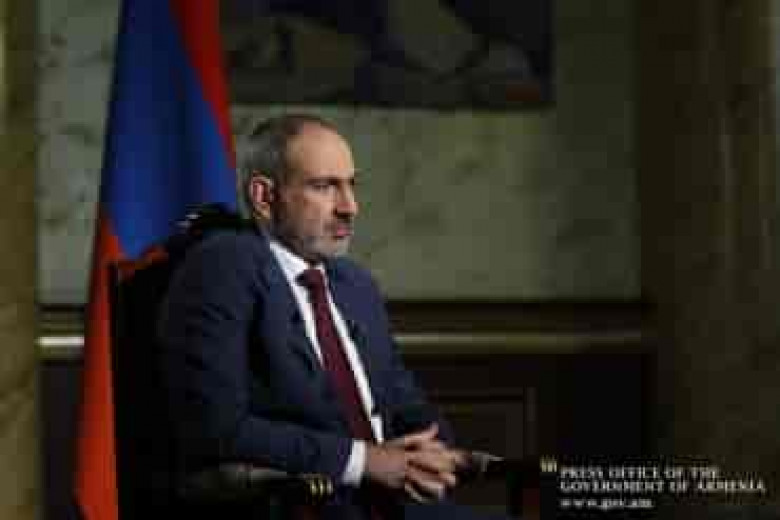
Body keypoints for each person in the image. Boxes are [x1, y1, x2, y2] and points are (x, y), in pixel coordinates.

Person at [158, 113, 507, 519]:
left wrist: (433, 452)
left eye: (352, 185)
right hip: (303, 505)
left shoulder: (355, 284)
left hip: (396, 503)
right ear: (264, 197)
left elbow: (405, 401)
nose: (350, 208)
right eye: (325, 187)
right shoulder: (221, 268)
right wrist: (364, 461)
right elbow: (219, 427)